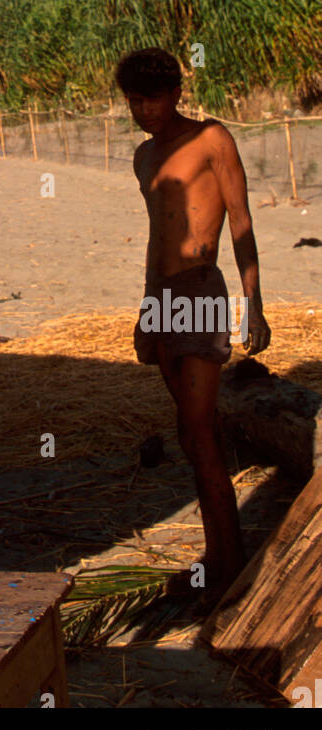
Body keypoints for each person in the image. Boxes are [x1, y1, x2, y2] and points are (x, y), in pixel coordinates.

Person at [116, 48, 271, 605]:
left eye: (151, 98)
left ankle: (233, 568)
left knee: (202, 433)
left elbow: (242, 221)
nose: (143, 110)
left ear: (176, 93)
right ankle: (216, 558)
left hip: (202, 289)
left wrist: (253, 302)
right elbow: (158, 238)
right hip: (160, 299)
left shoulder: (211, 139)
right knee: (187, 432)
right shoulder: (142, 157)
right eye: (133, 100)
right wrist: (144, 311)